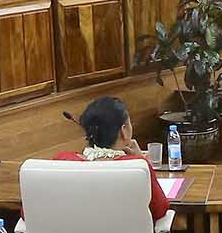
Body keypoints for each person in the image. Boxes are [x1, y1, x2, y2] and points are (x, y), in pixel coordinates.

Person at [55, 95, 170, 225]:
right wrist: (142, 161)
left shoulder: (62, 161)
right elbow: (160, 210)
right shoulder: (138, 167)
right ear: (124, 131)